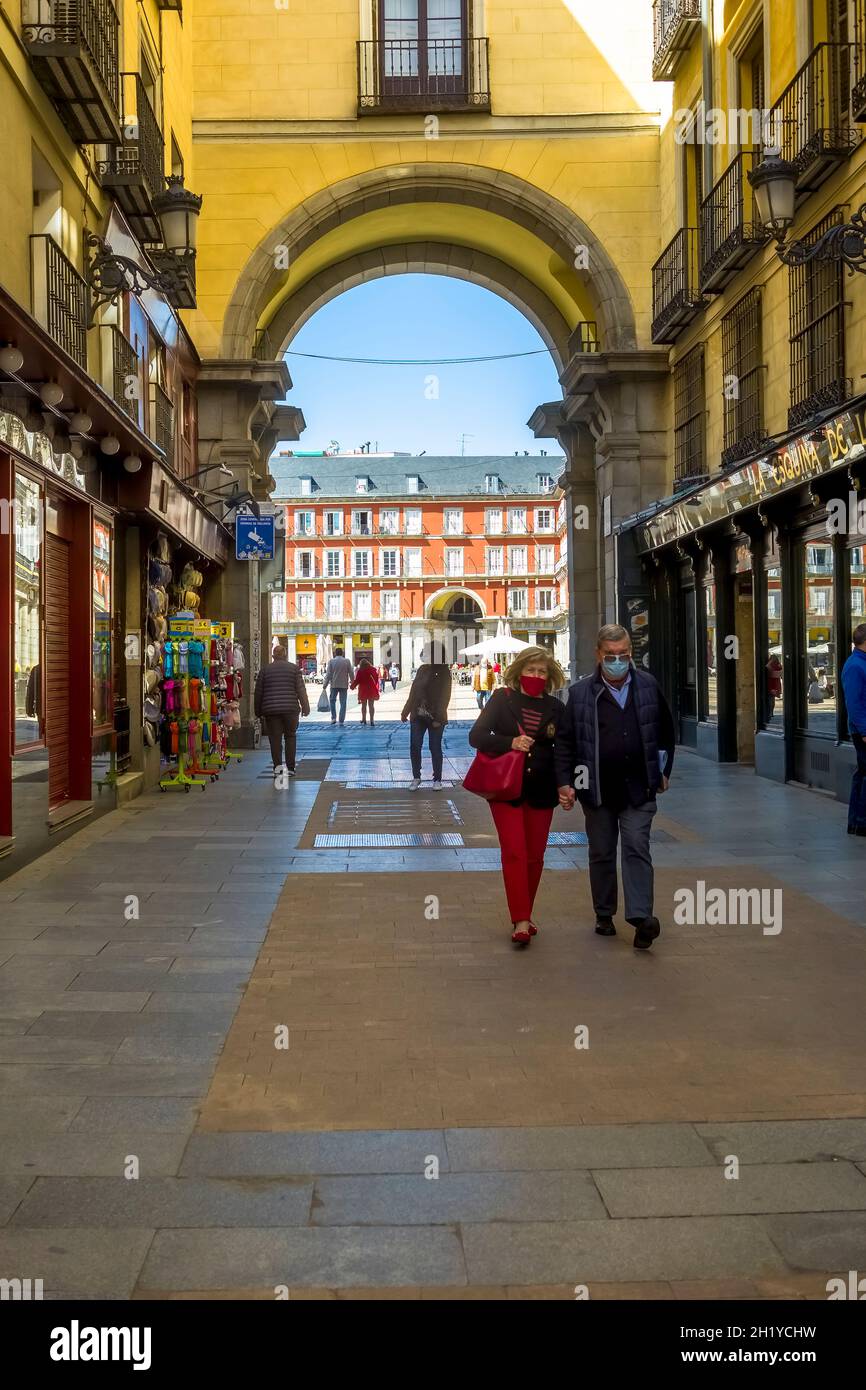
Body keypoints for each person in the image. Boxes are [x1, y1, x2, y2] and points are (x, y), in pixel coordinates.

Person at [555, 623, 676, 951]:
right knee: (602, 852)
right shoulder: (580, 694)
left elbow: (665, 730)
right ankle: (604, 913)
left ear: (630, 652)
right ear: (598, 655)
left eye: (623, 655)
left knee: (637, 846)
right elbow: (567, 742)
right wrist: (567, 783)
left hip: (639, 787)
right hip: (597, 789)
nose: (617, 661)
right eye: (611, 656)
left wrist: (663, 769)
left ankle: (641, 919)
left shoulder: (648, 686)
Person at [469, 647, 569, 946]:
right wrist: (509, 742)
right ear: (519, 671)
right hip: (507, 789)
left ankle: (525, 913)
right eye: (531, 670)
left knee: (535, 857)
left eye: (542, 672)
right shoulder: (503, 699)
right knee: (514, 852)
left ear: (549, 676)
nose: (536, 676)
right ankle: (521, 920)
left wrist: (565, 785)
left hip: (542, 789)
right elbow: (476, 736)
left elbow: (563, 751)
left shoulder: (556, 708)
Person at [254, 645, 310, 785]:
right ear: (285, 655)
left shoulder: (265, 670)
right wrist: (305, 706)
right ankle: (290, 769)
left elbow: (258, 692)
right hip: (291, 709)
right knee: (290, 737)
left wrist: (257, 710)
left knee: (275, 740)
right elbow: (300, 689)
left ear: (273, 656)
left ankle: (278, 769)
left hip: (271, 710)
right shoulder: (294, 669)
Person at [401, 641, 452, 789]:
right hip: (417, 714)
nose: (423, 654)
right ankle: (416, 777)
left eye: (426, 651)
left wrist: (439, 718)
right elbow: (414, 691)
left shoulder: (444, 671)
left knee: (434, 747)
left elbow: (445, 696)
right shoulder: (422, 670)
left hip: (436, 716)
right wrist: (406, 710)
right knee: (415, 745)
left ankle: (437, 779)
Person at [841, 622, 866, 835]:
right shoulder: (855, 665)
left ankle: (857, 822)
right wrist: (865, 731)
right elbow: (854, 702)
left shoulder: (860, 663)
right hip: (863, 730)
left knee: (863, 774)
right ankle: (862, 822)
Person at [323, 651, 353, 725]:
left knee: (332, 701)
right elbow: (351, 672)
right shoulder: (347, 661)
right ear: (342, 653)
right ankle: (341, 719)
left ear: (335, 653)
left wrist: (325, 684)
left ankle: (333, 718)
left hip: (334, 685)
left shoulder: (331, 661)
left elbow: (328, 674)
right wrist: (353, 682)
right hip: (343, 685)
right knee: (343, 702)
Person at [351, 658, 380, 726]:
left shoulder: (360, 671)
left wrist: (352, 686)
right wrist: (375, 685)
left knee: (363, 705)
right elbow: (376, 678)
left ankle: (364, 719)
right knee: (371, 705)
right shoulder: (372, 669)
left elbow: (357, 680)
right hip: (371, 689)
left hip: (363, 689)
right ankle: (372, 720)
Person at [766, 654, 783, 720]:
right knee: (772, 699)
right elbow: (781, 672)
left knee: (770, 698)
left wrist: (770, 661)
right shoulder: (778, 665)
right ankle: (771, 712)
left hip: (771, 683)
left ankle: (770, 712)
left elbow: (767, 667)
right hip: (776, 683)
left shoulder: (771, 665)